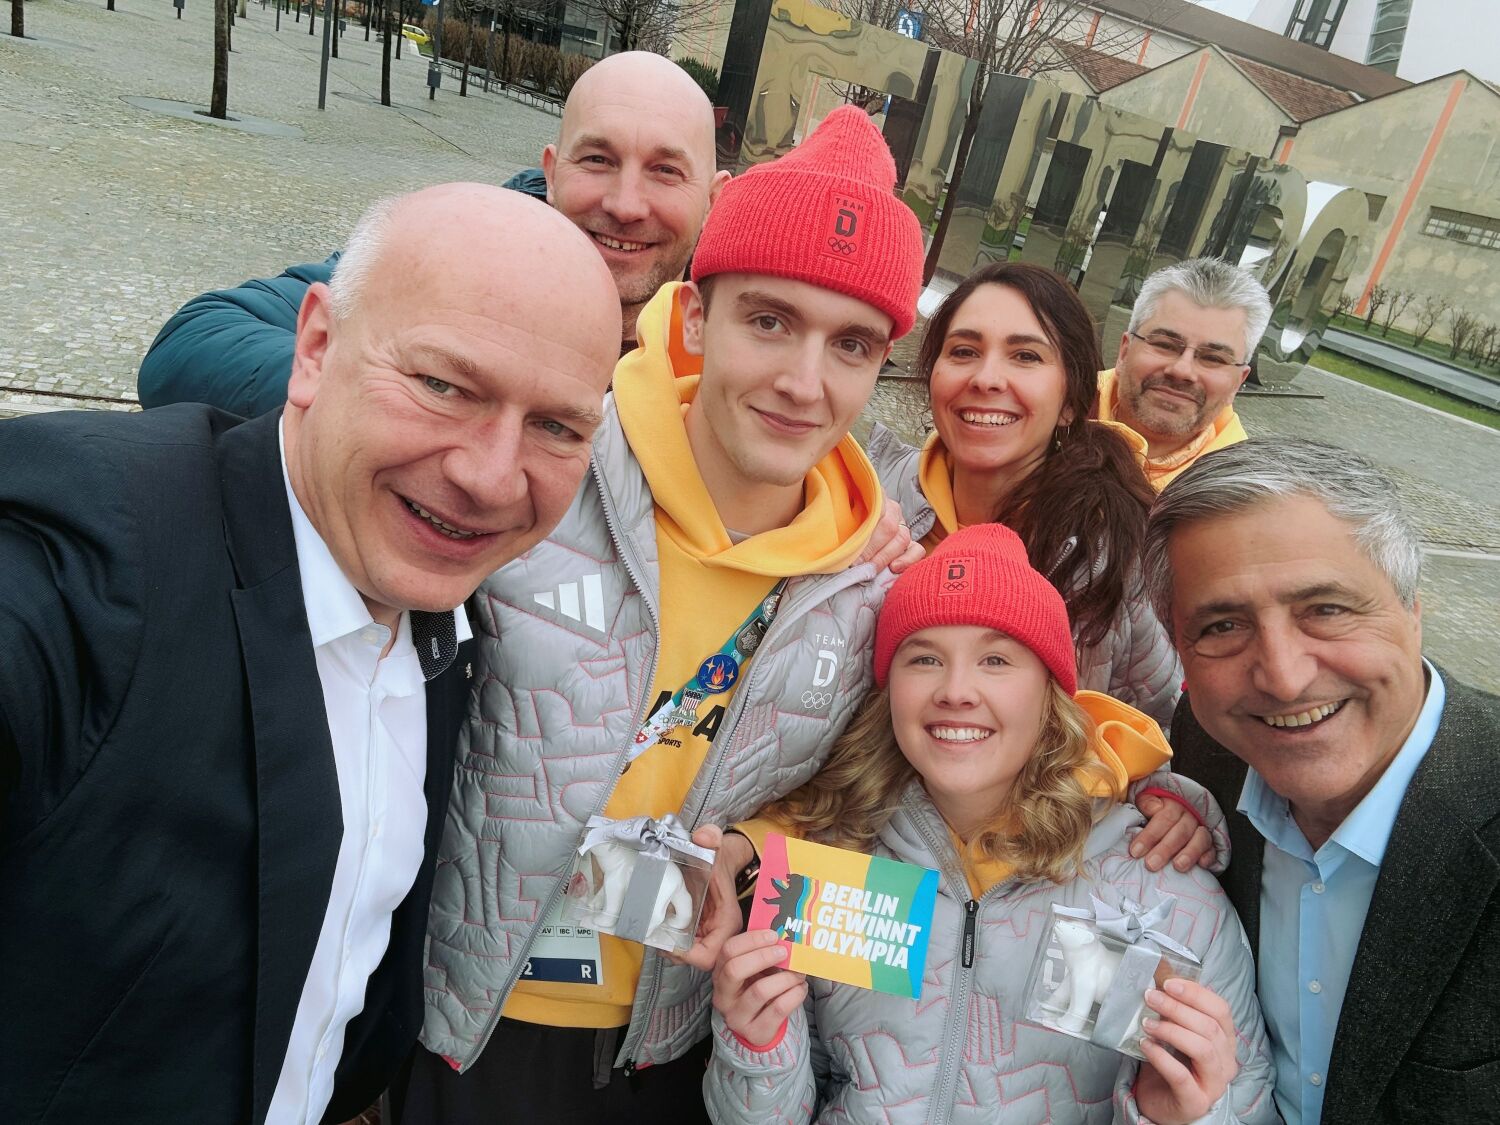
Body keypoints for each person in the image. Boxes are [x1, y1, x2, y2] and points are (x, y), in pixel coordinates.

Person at [0, 184, 622, 1124]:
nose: (491, 477)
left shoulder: (451, 634)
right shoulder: (83, 561)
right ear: (316, 347)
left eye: (557, 427)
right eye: (444, 385)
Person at [393, 106, 927, 1124]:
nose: (802, 382)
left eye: (851, 344)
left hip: (665, 1060)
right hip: (454, 1029)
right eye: (769, 320)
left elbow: (872, 813)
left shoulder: (874, 592)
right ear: (692, 320)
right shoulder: (543, 479)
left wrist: (752, 852)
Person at [704, 523, 1276, 1125]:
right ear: (888, 689)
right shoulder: (825, 864)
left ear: (1049, 691)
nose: (956, 690)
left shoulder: (1168, 888)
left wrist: (1173, 1117)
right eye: (924, 658)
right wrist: (758, 1049)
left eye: (996, 660)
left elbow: (1245, 1106)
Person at [1144, 437, 1500, 1124]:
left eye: (1327, 609)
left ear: (1413, 607)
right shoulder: (1207, 754)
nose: (1282, 675)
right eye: (1222, 624)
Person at [136, 51, 729, 415]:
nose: (625, 205)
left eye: (665, 171)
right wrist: (406, 402)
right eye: (597, 159)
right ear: (551, 172)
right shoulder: (457, 250)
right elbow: (192, 347)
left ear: (713, 197)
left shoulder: (748, 324)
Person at [869, 262, 1181, 732]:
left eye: (1026, 357)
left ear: (1071, 401)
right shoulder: (865, 501)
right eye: (964, 351)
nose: (987, 378)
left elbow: (1153, 727)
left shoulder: (1117, 552)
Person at [1096, 258, 1269, 489]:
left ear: (1238, 383)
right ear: (1124, 351)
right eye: (1165, 345)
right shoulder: (1051, 412)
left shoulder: (1243, 497)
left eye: (1213, 358)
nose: (1182, 370)